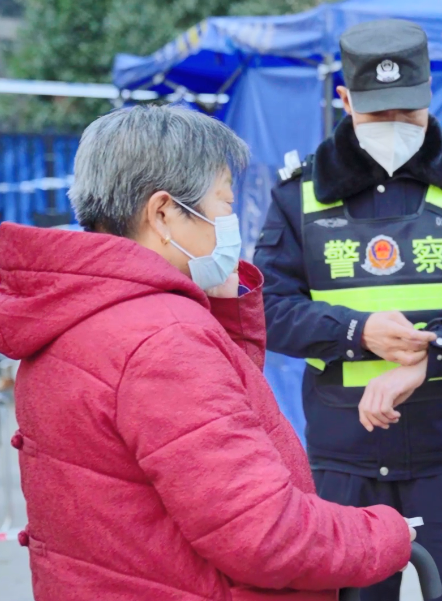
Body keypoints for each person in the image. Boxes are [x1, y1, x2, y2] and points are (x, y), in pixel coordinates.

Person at [0, 105, 415, 601]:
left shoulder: (78, 310)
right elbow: (266, 536)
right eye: (224, 201)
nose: (229, 221)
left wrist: (217, 311)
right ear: (163, 213)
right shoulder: (164, 339)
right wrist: (385, 533)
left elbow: (201, 434)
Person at [254, 18, 442, 601]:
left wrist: (431, 357)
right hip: (346, 462)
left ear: (430, 93)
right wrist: (357, 333)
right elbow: (267, 307)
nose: (394, 124)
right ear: (345, 100)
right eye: (377, 111)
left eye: (407, 110)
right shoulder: (298, 194)